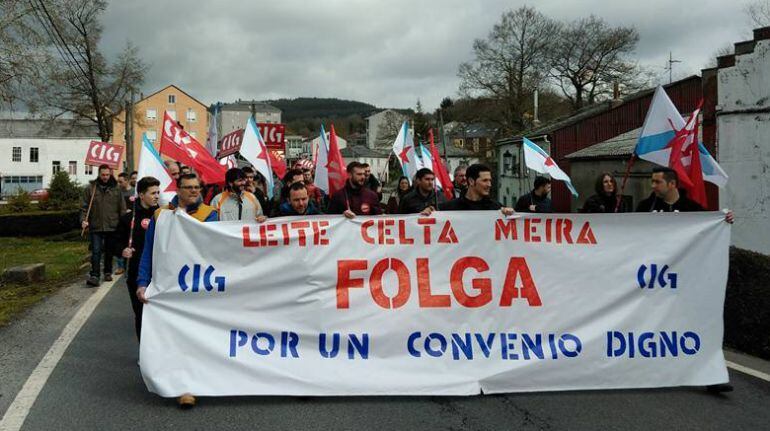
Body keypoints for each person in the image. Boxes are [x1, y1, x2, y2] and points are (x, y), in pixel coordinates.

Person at [635, 166, 734, 394]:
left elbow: (711, 227)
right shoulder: (644, 207)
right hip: (652, 280)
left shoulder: (692, 210)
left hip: (683, 282)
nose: (652, 186)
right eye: (652, 181)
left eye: (657, 182)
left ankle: (711, 375)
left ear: (671, 184)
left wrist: (725, 219)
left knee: (697, 324)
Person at [136, 173, 217, 409]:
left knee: (196, 338)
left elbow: (222, 248)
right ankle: (183, 385)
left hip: (199, 287)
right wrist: (143, 282)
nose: (194, 191)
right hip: (170, 288)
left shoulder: (210, 215)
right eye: (188, 187)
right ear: (178, 190)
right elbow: (149, 251)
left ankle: (192, 384)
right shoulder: (160, 216)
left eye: (197, 187)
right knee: (176, 338)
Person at [116, 176, 160, 341]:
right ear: (141, 195)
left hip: (159, 272)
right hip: (135, 273)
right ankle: (144, 350)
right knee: (141, 313)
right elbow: (115, 241)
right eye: (152, 193)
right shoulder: (129, 218)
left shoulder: (163, 215)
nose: (156, 196)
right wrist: (122, 250)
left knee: (158, 314)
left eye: (158, 192)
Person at [81, 165, 126, 287]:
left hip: (112, 225)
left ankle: (107, 272)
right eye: (103, 175)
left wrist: (123, 224)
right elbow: (84, 207)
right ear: (99, 174)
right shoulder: (91, 188)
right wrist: (83, 220)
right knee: (96, 251)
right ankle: (95, 275)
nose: (105, 177)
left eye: (107, 175)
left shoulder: (116, 189)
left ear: (110, 174)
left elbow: (122, 208)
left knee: (109, 251)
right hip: (96, 225)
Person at [436, 163, 514, 216]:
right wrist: (428, 211)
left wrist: (510, 214)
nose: (489, 185)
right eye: (485, 180)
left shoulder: (496, 208)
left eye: (490, 180)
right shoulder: (450, 208)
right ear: (471, 181)